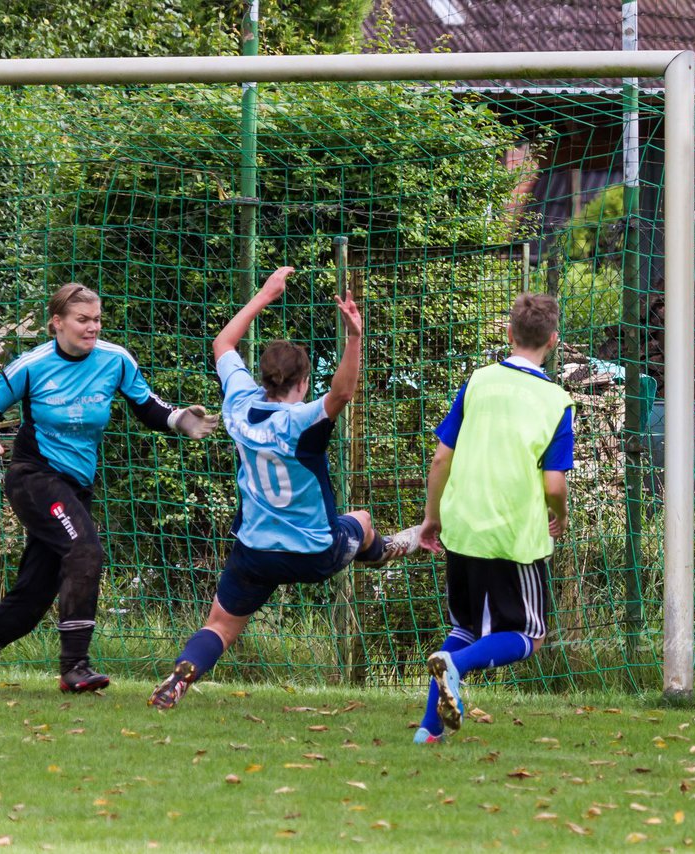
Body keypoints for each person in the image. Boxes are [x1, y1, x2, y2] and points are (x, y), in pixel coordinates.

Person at [148, 266, 421, 710]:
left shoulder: (238, 404)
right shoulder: (304, 420)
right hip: (314, 552)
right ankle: (390, 548)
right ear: (303, 382)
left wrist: (263, 295)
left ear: (264, 378)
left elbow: (223, 344)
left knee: (218, 626)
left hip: (255, 552)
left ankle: (180, 677)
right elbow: (344, 392)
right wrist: (354, 337)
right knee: (363, 521)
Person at [0, 283, 219, 693]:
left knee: (32, 599)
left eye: (97, 320)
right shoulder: (33, 364)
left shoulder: (115, 360)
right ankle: (75, 668)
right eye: (82, 320)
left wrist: (179, 420)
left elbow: (147, 405)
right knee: (85, 549)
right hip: (34, 477)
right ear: (57, 323)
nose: (92, 328)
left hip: (76, 488)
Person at [413, 292, 574, 743]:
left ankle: (428, 733)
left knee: (464, 626)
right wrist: (558, 516)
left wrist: (432, 518)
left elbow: (441, 459)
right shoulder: (555, 399)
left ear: (509, 333)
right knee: (530, 633)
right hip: (511, 536)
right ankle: (456, 667)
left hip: (462, 527)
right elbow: (554, 485)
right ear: (553, 341)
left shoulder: (478, 382)